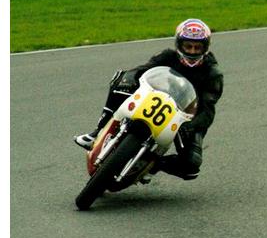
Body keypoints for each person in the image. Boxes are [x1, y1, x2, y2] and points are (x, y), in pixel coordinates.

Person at [74, 18, 224, 180]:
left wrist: (190, 126)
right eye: (188, 46)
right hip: (156, 98)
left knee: (191, 165)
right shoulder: (167, 56)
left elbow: (207, 112)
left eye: (197, 47)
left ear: (206, 48)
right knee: (121, 80)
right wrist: (130, 78)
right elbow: (142, 70)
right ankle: (98, 132)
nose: (192, 51)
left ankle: (150, 164)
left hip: (187, 118)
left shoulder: (212, 74)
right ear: (179, 45)